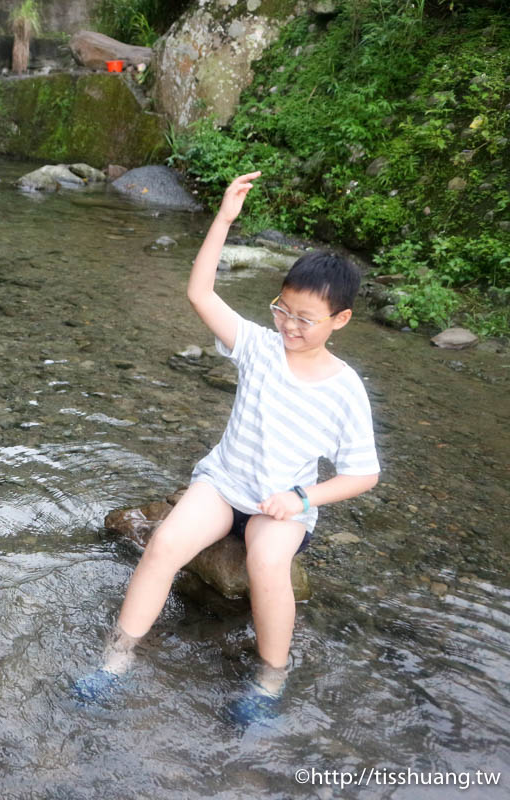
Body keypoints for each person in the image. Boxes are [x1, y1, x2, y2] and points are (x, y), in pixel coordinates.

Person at [79, 172, 381, 722]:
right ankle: (114, 661)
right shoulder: (259, 347)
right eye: (282, 310)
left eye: (306, 320)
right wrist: (222, 219)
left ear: (340, 321)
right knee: (166, 543)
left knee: (268, 563)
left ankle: (269, 681)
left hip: (280, 503)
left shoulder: (344, 388)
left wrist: (302, 497)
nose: (289, 325)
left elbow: (362, 475)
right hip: (223, 485)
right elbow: (199, 293)